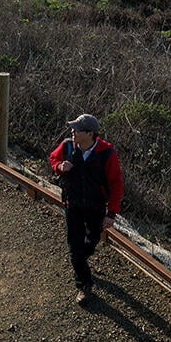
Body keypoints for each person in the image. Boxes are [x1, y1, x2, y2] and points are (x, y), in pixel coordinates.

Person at [48, 113, 123, 305]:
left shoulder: (107, 153)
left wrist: (111, 214)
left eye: (77, 129)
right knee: (75, 249)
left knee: (90, 242)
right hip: (72, 204)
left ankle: (81, 261)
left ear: (90, 134)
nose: (72, 132)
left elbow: (116, 184)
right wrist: (59, 167)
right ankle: (84, 284)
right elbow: (52, 159)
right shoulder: (67, 145)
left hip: (95, 207)